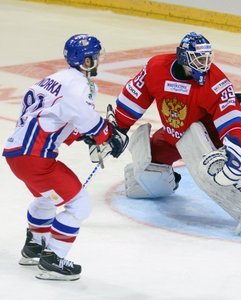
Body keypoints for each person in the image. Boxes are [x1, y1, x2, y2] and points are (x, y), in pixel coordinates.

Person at [112, 32, 241, 235]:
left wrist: (235, 142)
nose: (204, 64)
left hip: (206, 138)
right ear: (183, 57)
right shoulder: (156, 68)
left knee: (213, 171)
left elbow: (230, 112)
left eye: (206, 58)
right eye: (198, 58)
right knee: (141, 179)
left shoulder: (215, 81)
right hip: (173, 133)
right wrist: (117, 129)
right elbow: (135, 96)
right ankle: (168, 180)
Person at [2, 34, 128, 281]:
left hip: (17, 154)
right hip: (37, 158)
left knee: (46, 198)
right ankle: (53, 258)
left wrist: (81, 135)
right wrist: (105, 134)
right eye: (95, 56)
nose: (98, 60)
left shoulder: (53, 79)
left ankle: (34, 247)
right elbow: (79, 112)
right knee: (80, 205)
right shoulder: (79, 84)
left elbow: (51, 115)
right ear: (86, 60)